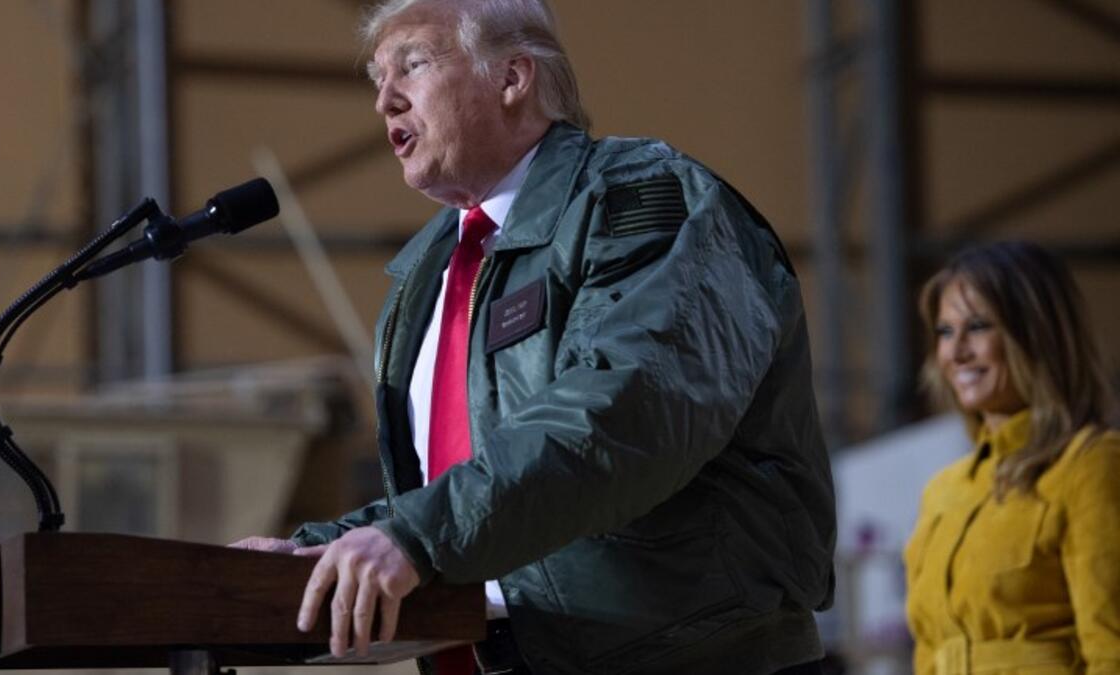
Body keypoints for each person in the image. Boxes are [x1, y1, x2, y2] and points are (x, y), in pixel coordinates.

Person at [235, 1, 836, 672]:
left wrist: (413, 535)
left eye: (412, 65)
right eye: (377, 76)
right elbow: (458, 485)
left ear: (512, 77)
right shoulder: (427, 275)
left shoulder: (643, 204)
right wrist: (323, 549)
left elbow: (623, 413)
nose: (384, 100)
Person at [905, 241, 1120, 674]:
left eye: (979, 326)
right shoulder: (943, 491)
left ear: (1037, 334)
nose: (956, 351)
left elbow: (1111, 648)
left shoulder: (1090, 466)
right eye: (945, 331)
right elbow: (929, 651)